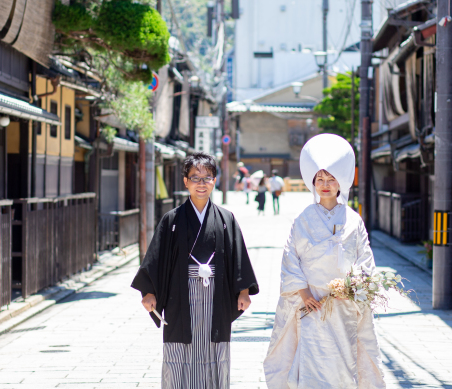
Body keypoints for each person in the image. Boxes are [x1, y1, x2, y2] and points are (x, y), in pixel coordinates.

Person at [263, 134, 385, 389]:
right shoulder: (303, 218)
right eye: (320, 179)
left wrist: (352, 288)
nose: (325, 184)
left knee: (345, 362)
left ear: (341, 182)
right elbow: (290, 257)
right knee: (311, 359)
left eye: (331, 179)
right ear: (313, 183)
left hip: (344, 305)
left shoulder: (353, 219)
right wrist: (304, 292)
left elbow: (365, 259)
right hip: (311, 303)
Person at [132, 152, 259, 388]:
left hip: (216, 295)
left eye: (207, 177)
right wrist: (149, 291)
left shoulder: (225, 218)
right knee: (179, 349)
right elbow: (156, 258)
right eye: (195, 177)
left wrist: (243, 290)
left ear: (214, 181)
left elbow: (237, 256)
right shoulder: (172, 220)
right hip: (181, 295)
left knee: (215, 348)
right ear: (185, 181)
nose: (201, 183)